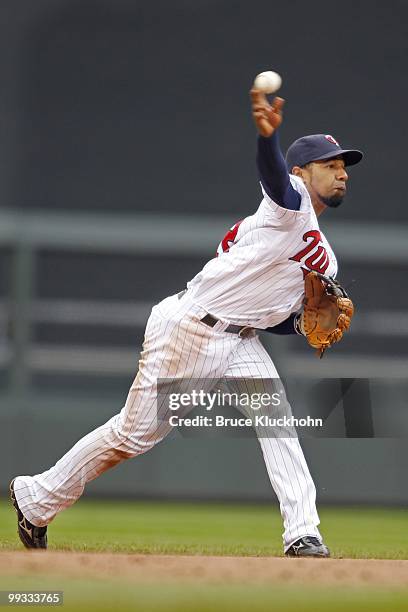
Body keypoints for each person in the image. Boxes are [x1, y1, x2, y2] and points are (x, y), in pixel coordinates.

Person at [10, 88, 363, 556]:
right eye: (329, 164)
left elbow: (274, 315)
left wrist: (300, 325)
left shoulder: (326, 261)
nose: (340, 171)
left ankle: (303, 534)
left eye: (343, 165)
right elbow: (275, 178)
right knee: (132, 436)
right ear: (302, 172)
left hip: (242, 337)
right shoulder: (288, 203)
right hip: (190, 328)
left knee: (279, 424)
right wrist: (267, 139)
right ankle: (36, 498)